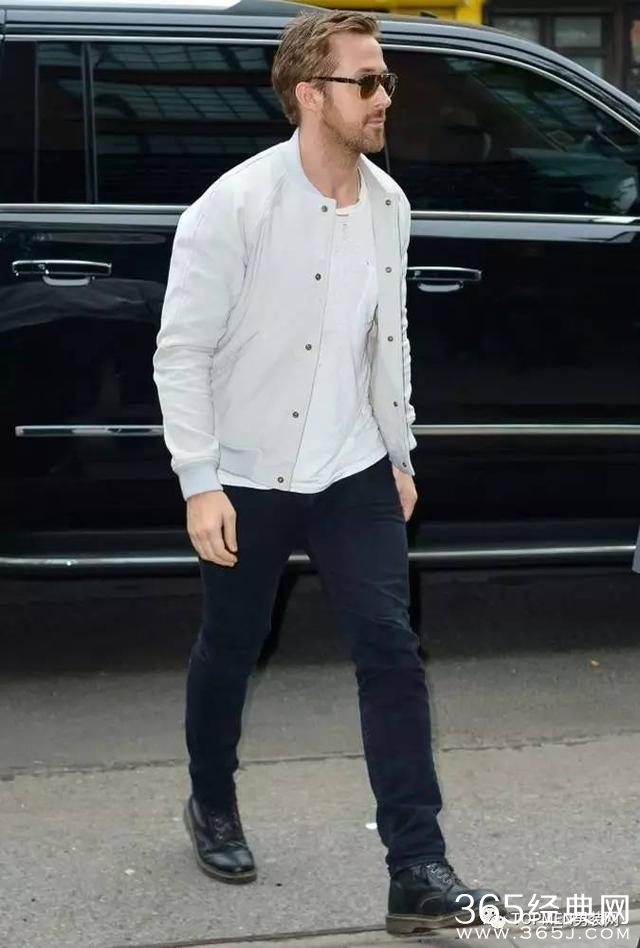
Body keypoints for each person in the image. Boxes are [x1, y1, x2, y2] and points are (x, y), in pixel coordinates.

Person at [153, 9, 501, 933]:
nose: (385, 97)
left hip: (354, 468)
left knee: (391, 652)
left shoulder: (389, 204)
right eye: (366, 81)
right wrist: (199, 481)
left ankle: (417, 868)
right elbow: (180, 353)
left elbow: (389, 339)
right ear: (311, 94)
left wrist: (400, 450)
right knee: (233, 644)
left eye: (386, 80)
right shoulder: (233, 206)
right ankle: (211, 800)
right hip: (249, 470)